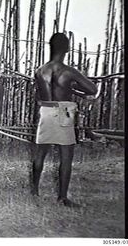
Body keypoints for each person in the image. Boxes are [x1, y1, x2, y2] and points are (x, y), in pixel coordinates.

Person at [31, 33, 97, 207]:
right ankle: (62, 198)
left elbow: (41, 93)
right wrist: (74, 89)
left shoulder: (40, 70)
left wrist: (71, 90)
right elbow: (92, 89)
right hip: (63, 112)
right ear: (67, 49)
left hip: (45, 110)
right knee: (66, 157)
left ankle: (34, 191)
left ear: (50, 47)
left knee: (40, 154)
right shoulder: (68, 71)